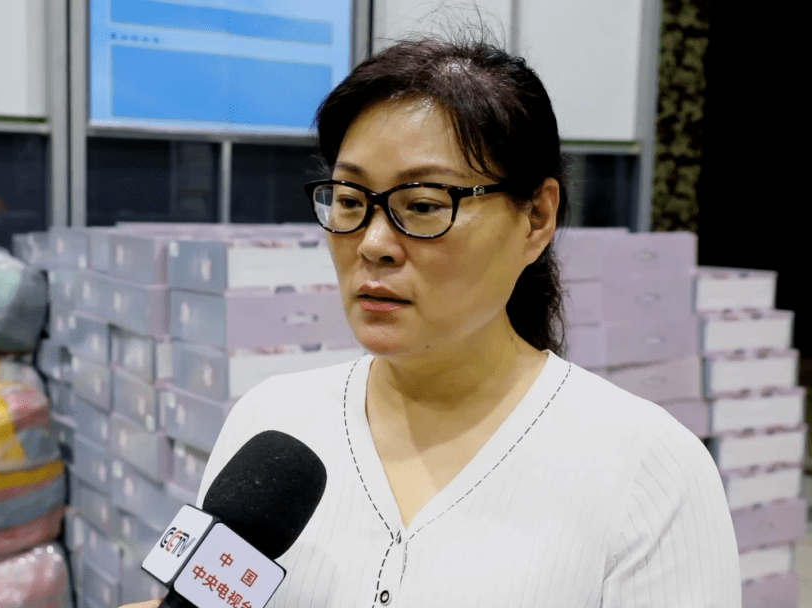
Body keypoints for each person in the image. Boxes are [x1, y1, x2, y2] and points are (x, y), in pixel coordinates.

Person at [122, 35, 740, 608]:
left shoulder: (649, 473)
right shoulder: (271, 424)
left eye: (422, 205)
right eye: (349, 200)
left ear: (536, 218)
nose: (373, 243)